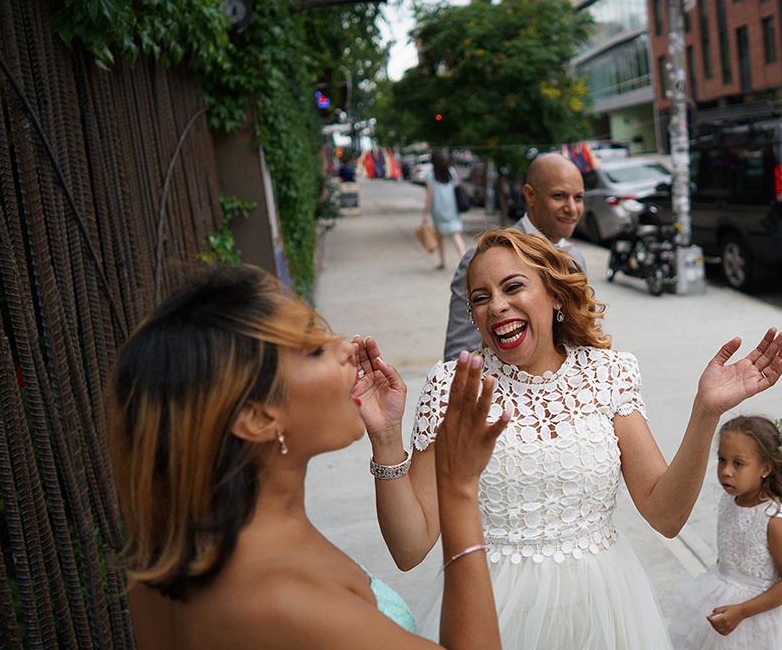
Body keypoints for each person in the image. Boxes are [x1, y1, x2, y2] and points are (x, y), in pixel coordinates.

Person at [354, 229, 782, 650]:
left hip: (604, 610)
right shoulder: (453, 386)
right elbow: (409, 549)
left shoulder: (608, 373)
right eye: (481, 298)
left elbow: (666, 515)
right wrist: (386, 437)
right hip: (491, 611)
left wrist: (705, 412)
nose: (497, 307)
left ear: (555, 295)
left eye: (513, 288)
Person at [107, 265, 508, 650]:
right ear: (258, 416)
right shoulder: (276, 600)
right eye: (315, 350)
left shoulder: (173, 561)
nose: (347, 348)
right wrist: (457, 487)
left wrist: (387, 435)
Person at [668, 415, 782, 650]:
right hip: (722, 593)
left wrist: (741, 611)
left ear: (765, 468)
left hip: (763, 616)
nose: (726, 471)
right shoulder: (728, 500)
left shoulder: (771, 520)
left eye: (738, 463)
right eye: (722, 460)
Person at [442, 152, 586, 360]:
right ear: (530, 195)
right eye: (559, 196)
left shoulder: (575, 258)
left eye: (578, 197)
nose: (572, 208)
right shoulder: (480, 260)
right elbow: (459, 356)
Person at [423, 149, 467, 270]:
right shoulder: (451, 172)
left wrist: (426, 214)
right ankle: (463, 258)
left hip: (438, 209)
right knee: (455, 234)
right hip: (452, 207)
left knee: (440, 236)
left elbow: (430, 196)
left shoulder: (430, 175)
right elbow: (457, 186)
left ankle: (442, 262)